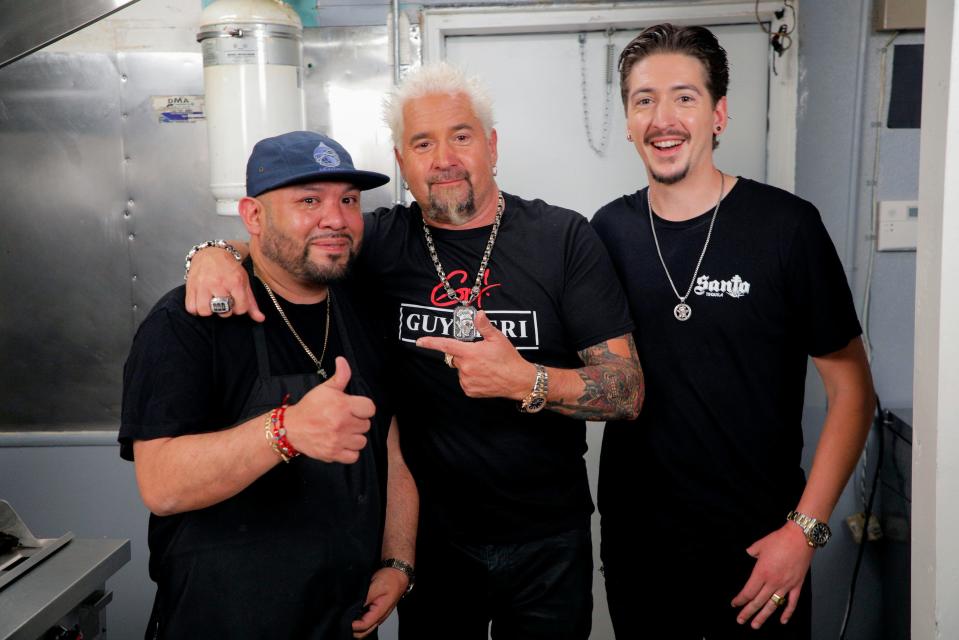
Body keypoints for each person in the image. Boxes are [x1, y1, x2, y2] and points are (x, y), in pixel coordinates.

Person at [182, 63, 644, 639]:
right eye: (422, 143)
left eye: (461, 136)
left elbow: (626, 391)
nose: (443, 157)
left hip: (548, 541)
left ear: (492, 146)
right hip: (429, 543)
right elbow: (288, 241)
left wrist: (527, 381)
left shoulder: (563, 238)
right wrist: (212, 251)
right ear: (402, 162)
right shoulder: (376, 240)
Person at [591, 24, 876, 639]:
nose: (663, 118)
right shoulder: (606, 231)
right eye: (644, 100)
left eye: (684, 97)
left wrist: (804, 531)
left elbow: (853, 392)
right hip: (640, 546)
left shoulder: (787, 228)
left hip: (760, 548)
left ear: (719, 114)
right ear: (628, 117)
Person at [119, 131, 418, 639]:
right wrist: (284, 430)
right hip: (221, 622)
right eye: (308, 200)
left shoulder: (362, 310)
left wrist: (398, 561)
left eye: (348, 199)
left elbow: (387, 444)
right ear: (254, 216)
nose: (335, 218)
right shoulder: (188, 322)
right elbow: (161, 484)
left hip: (339, 620)